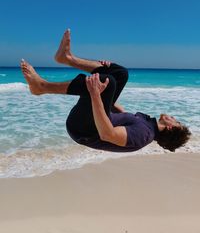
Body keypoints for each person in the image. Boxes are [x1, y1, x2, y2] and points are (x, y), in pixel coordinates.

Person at [21, 29, 191, 153]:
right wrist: (105, 87)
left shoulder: (143, 135)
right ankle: (67, 59)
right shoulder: (147, 124)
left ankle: (41, 87)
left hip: (83, 130)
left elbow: (107, 134)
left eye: (176, 121)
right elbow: (121, 113)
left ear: (170, 128)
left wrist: (96, 94)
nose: (174, 118)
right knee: (119, 74)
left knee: (106, 83)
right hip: (95, 121)